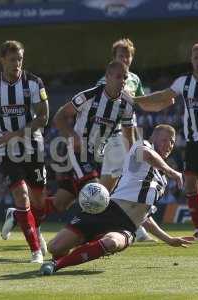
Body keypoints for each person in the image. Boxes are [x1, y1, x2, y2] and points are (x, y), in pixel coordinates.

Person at [40, 125, 191, 275]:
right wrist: (171, 171)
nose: (169, 145)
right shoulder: (141, 146)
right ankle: (88, 245)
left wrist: (169, 239)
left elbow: (145, 217)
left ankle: (56, 265)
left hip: (126, 226)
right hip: (106, 211)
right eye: (164, 140)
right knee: (55, 247)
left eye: (172, 142)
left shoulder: (162, 180)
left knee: (111, 242)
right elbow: (147, 154)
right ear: (153, 138)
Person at [0, 40, 49, 263]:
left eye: (19, 59)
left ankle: (17, 215)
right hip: (6, 150)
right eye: (12, 59)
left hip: (33, 147)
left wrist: (16, 134)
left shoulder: (34, 83)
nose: (17, 63)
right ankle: (35, 250)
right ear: (2, 60)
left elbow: (43, 117)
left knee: (38, 202)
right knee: (22, 195)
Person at [47, 60, 135, 219]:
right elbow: (60, 116)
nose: (122, 81)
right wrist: (72, 135)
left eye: (125, 77)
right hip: (78, 152)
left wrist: (132, 159)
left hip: (99, 156)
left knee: (61, 203)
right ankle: (84, 234)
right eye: (118, 76)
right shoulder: (88, 96)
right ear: (108, 77)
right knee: (96, 192)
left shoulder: (127, 105)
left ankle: (19, 214)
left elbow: (129, 135)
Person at [134, 42, 198, 240]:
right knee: (190, 185)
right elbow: (164, 95)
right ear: (191, 60)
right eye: (196, 57)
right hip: (194, 142)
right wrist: (138, 99)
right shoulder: (184, 82)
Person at [97, 38, 154, 242]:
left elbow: (142, 103)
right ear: (114, 58)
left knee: (106, 187)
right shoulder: (106, 80)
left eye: (128, 55)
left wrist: (161, 101)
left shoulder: (135, 79)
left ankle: (91, 218)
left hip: (129, 133)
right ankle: (137, 229)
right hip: (114, 136)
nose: (125, 58)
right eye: (121, 55)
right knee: (129, 181)